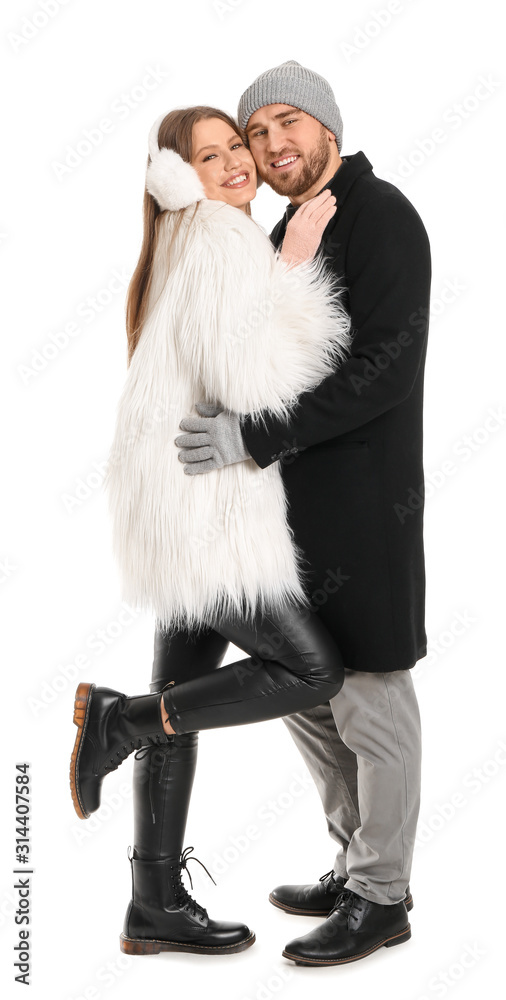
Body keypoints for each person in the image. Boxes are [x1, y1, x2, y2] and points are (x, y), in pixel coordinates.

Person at [69, 104, 353, 957]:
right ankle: (117, 723)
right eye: (212, 154)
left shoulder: (183, 239)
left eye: (238, 147)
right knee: (311, 668)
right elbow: (255, 381)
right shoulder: (223, 242)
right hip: (209, 510)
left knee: (179, 710)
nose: (236, 163)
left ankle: (152, 904)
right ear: (179, 174)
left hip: (177, 502)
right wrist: (296, 269)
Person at [176, 60, 432, 967]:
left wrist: (254, 436)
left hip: (365, 511)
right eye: (256, 134)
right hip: (287, 518)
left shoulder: (382, 215)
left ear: (327, 125)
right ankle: (355, 858)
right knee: (309, 693)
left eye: (288, 122)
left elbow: (381, 374)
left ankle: (383, 896)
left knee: (370, 694)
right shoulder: (287, 227)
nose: (273, 144)